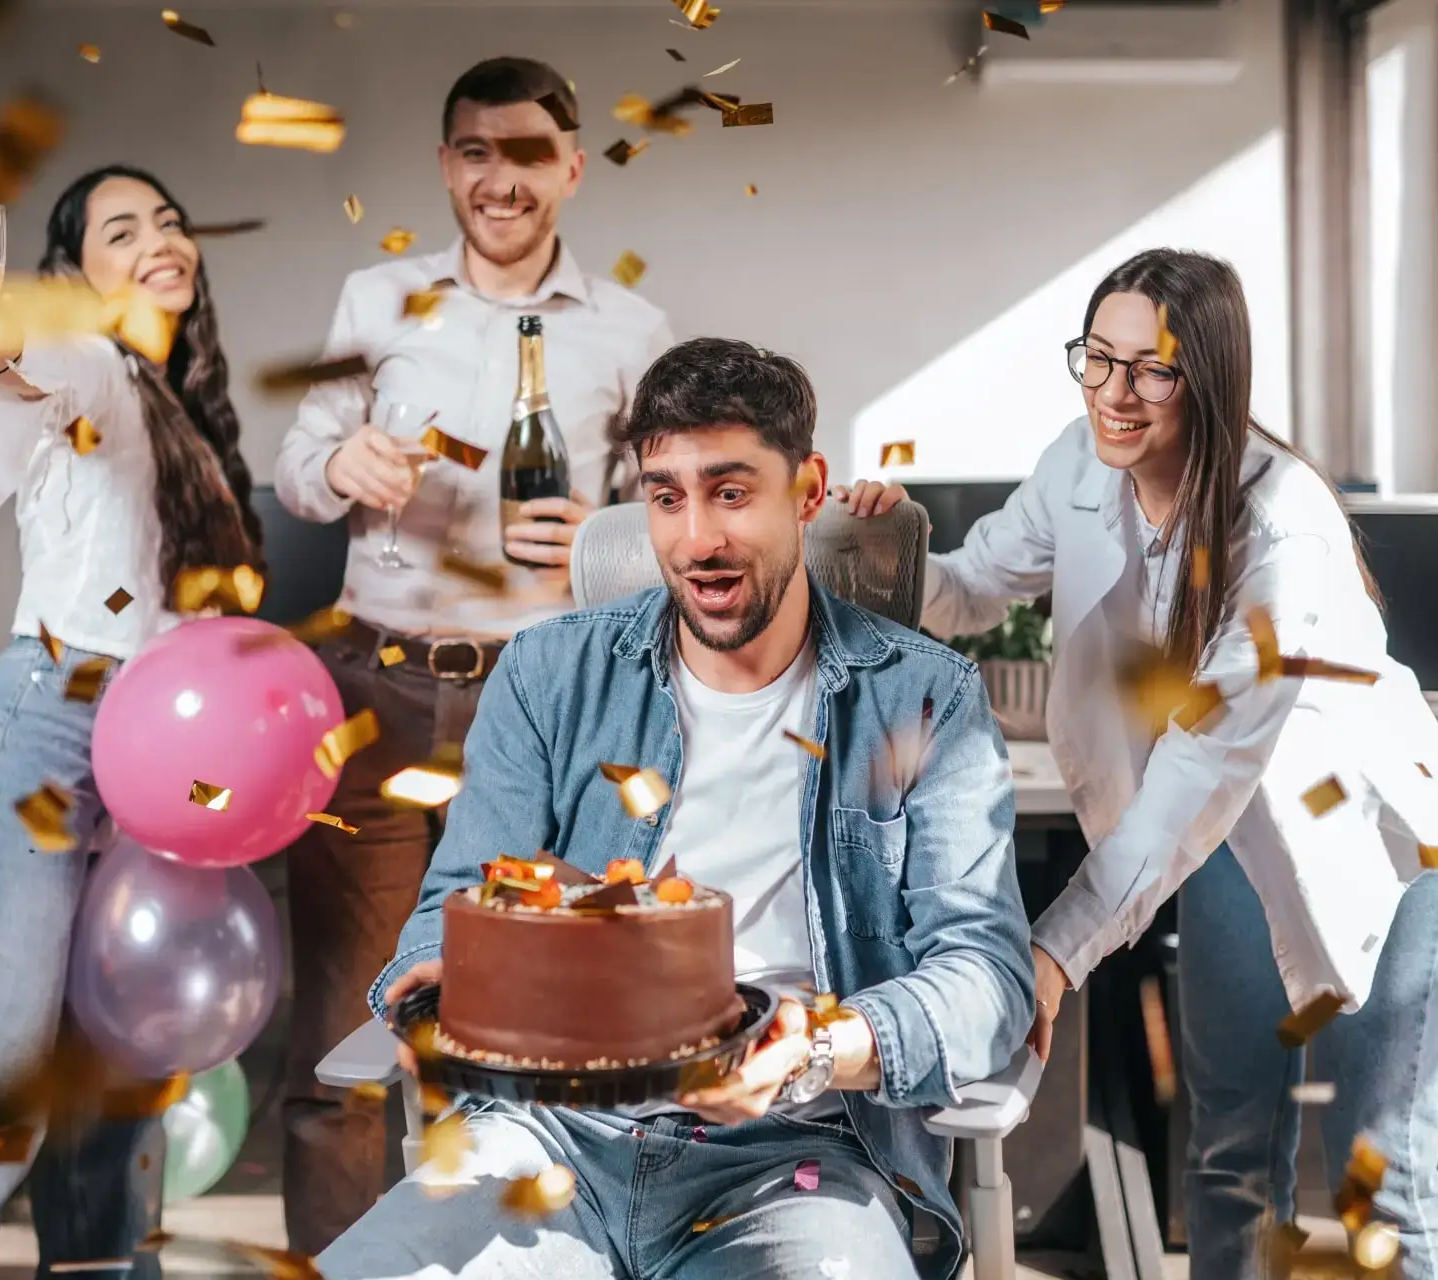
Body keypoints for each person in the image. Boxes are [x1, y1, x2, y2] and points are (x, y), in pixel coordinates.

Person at [316, 337, 1035, 1280]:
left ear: (808, 491)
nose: (697, 540)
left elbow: (987, 976)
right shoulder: (547, 673)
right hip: (548, 1137)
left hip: (800, 1159)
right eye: (666, 497)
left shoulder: (925, 697)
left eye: (731, 493)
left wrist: (817, 1049)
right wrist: (438, 996)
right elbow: (453, 912)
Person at [859, 247, 1438, 1278]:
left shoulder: (1282, 528)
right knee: (1230, 1154)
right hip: (1228, 846)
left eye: (1151, 369)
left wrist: (1055, 953)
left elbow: (1195, 771)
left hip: (1378, 844)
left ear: (1210, 377)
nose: (1114, 392)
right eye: (1098, 358)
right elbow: (972, 587)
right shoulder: (1079, 463)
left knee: (1382, 1172)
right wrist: (877, 552)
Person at [0, 166, 263, 1279]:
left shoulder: (184, 410)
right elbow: (28, 376)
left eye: (170, 220)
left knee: (109, 1105)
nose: (161, 238)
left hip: (150, 766)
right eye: (124, 229)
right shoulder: (92, 359)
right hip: (44, 730)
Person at [272, 56, 675, 1252]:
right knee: (341, 1039)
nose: (500, 179)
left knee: (544, 1025)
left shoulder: (634, 329)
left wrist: (607, 532)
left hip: (548, 700)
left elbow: (671, 514)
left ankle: (516, 1262)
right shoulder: (379, 296)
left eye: (526, 153)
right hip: (377, 690)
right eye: (476, 153)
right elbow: (298, 464)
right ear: (448, 164)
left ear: (572, 167)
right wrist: (337, 462)